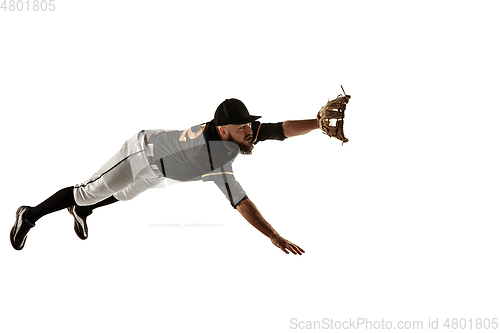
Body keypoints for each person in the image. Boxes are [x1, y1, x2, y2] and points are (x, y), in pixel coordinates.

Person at [11, 98, 319, 254]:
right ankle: (30, 215)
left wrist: (317, 123)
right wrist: (273, 236)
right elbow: (240, 200)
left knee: (125, 194)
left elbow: (280, 129)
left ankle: (83, 211)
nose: (250, 131)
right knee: (89, 190)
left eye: (249, 125)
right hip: (142, 153)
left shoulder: (234, 134)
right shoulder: (211, 153)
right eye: (243, 127)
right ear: (224, 130)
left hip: (162, 167)